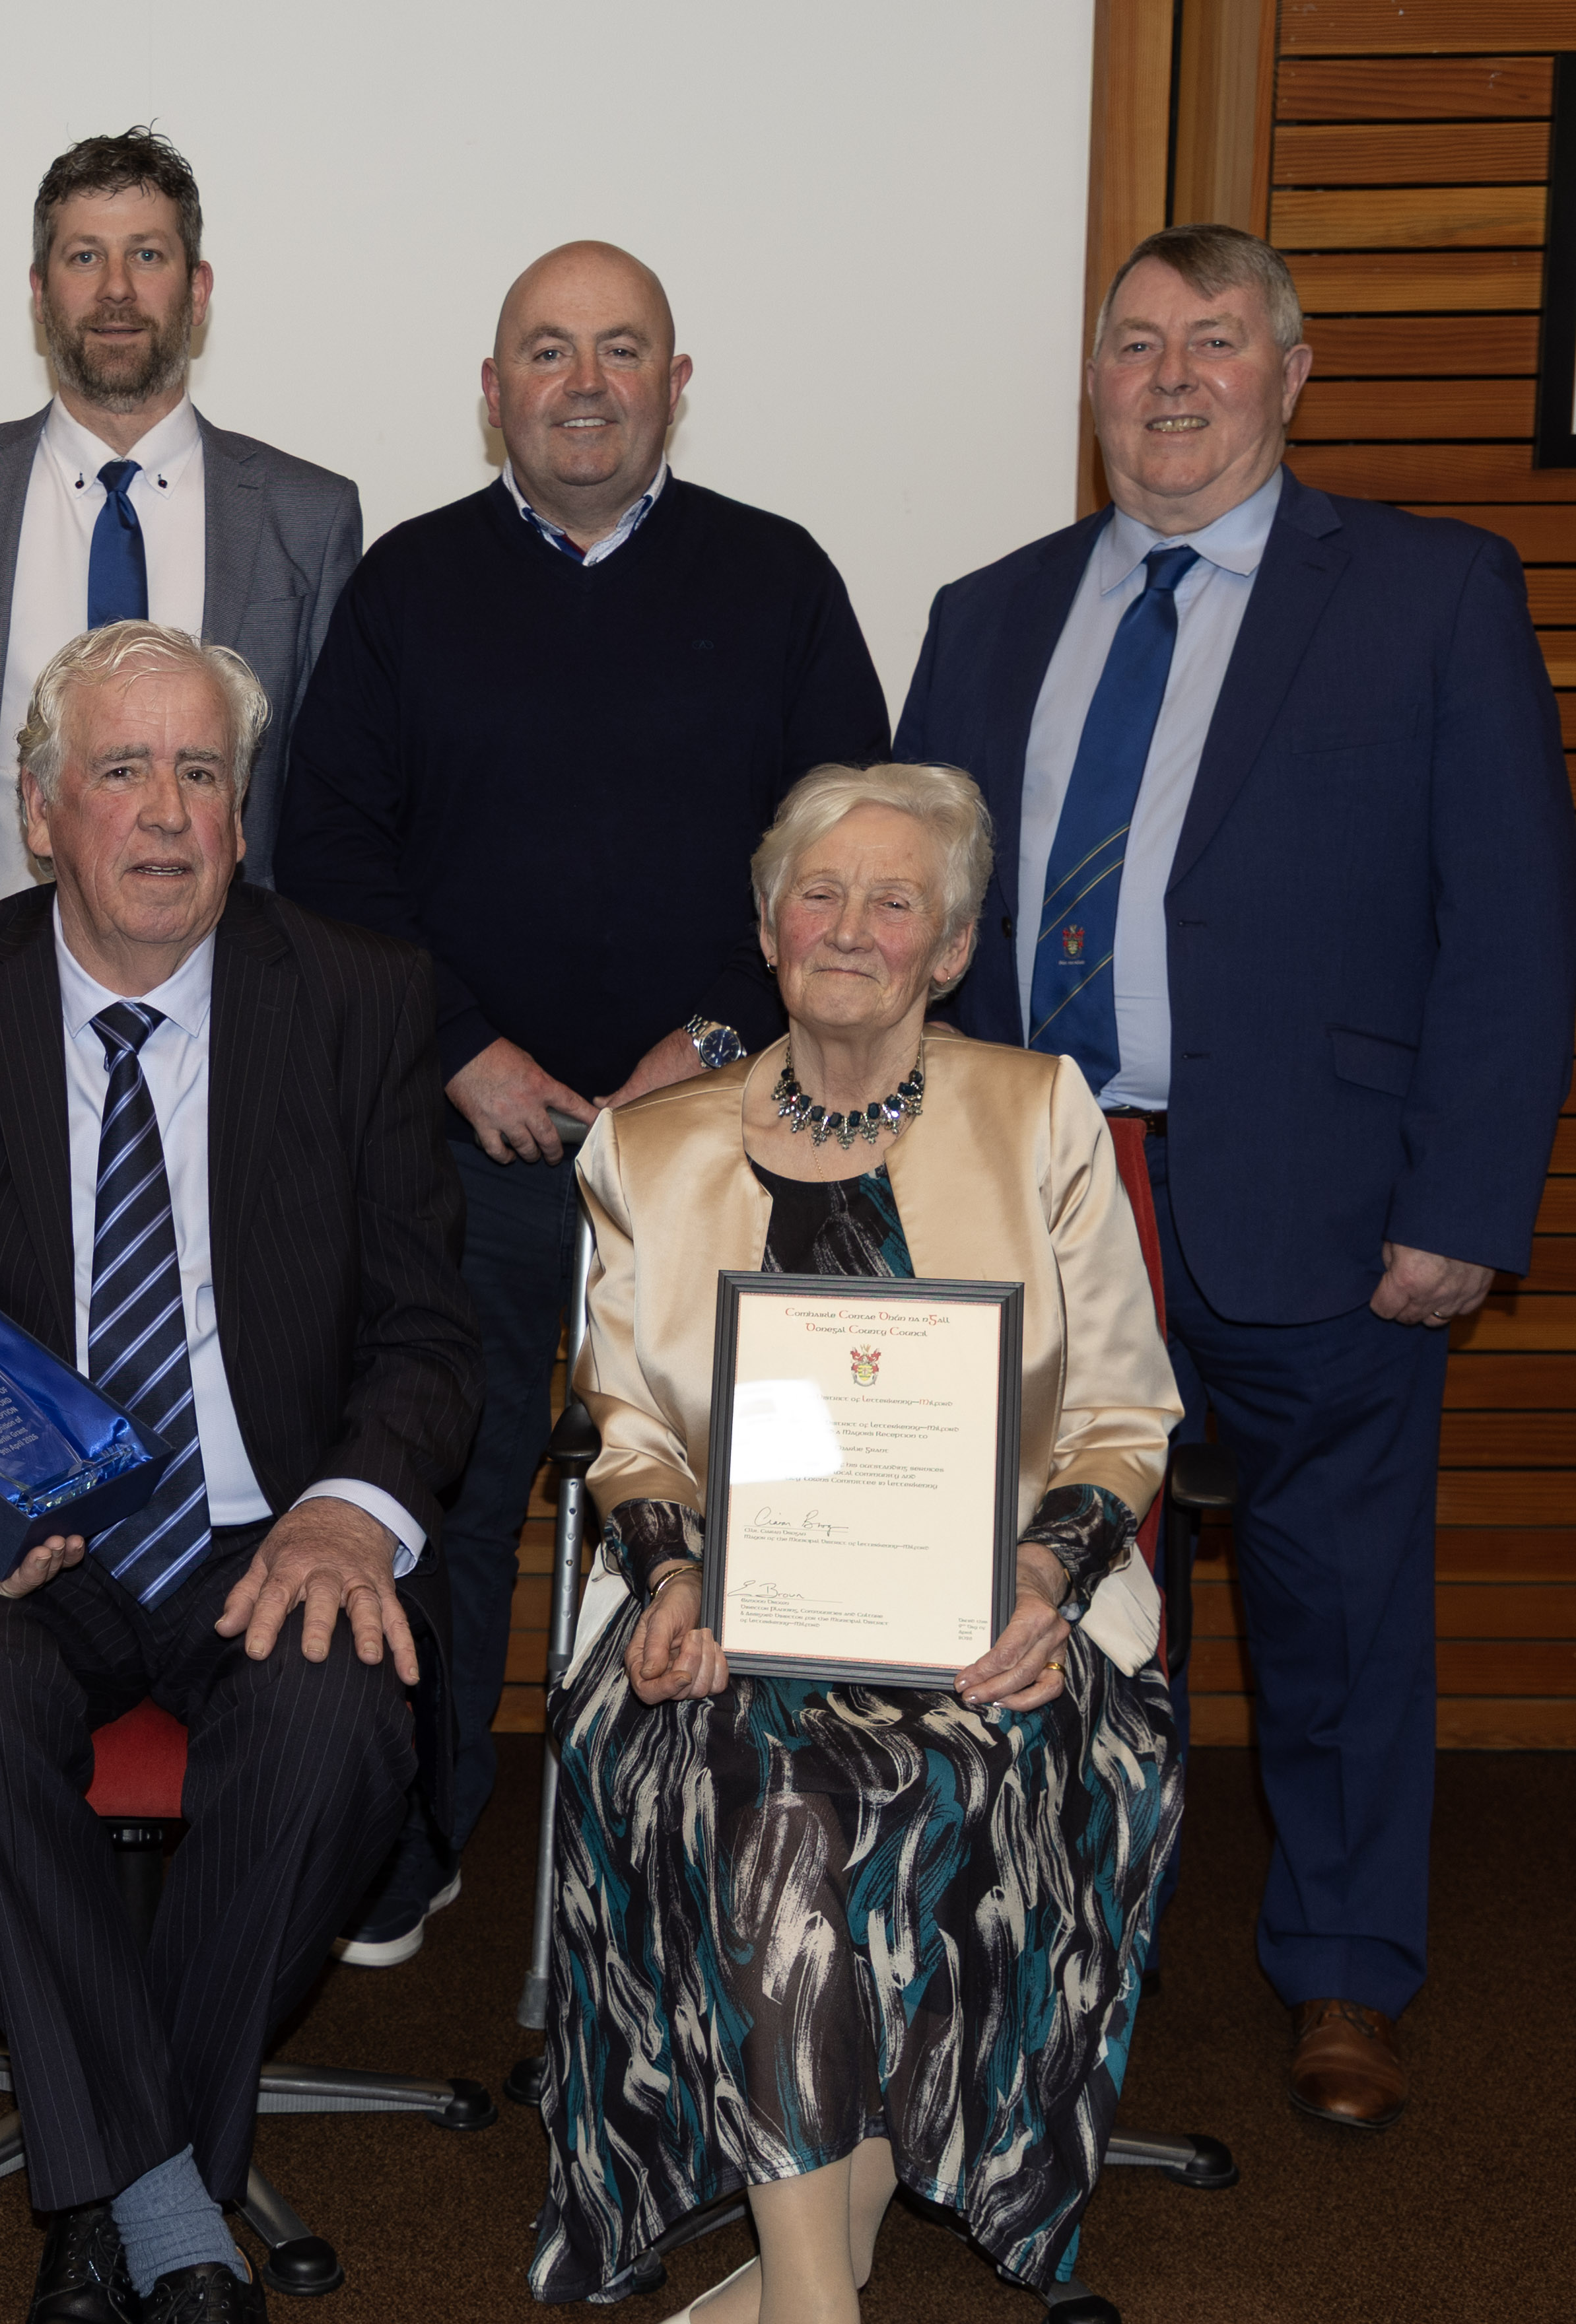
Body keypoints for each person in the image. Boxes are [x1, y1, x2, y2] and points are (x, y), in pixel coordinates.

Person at [894, 223, 1576, 2130]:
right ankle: (1047, 1957)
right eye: (1132, 345)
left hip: (1318, 1199)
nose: (1169, 380)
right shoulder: (986, 610)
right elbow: (905, 920)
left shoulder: (1429, 595)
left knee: (1333, 1609)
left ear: (1291, 374)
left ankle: (1345, 1975)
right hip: (1035, 1202)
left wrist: (1461, 1207)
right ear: (1090, 379)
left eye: (1213, 343)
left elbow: (1511, 925)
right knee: (1035, 1606)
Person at [0, 623, 478, 2323]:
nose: (165, 813)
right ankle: (175, 2199)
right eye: (121, 770)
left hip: (272, 1524)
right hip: (22, 1543)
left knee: (337, 1711)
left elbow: (426, 1336)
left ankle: (112, 2181)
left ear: (243, 821)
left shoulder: (358, 996)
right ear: (41, 813)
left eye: (201, 774)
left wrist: (350, 1507)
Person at [275, 239, 890, 1964]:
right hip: (471, 1150)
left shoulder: (776, 581)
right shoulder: (405, 588)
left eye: (622, 350)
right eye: (546, 352)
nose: (585, 381)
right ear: (493, 393)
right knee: (439, 1504)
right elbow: (333, 857)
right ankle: (417, 1830)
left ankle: (716, 1853)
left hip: (725, 1153)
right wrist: (461, 1048)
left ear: (674, 385)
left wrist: (711, 1040)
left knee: (732, 1508)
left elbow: (847, 848)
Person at [532, 762, 1182, 2321]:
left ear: (948, 951)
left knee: (920, 1779)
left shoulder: (1037, 1115)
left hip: (1004, 1620)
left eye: (896, 900)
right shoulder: (649, 1146)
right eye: (818, 891)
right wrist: (674, 1572)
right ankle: (820, 2292)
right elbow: (623, 1419)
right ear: (767, 927)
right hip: (719, 1617)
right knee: (770, 1783)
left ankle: (806, 2265)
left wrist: (1041, 1580)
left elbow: (1120, 1408)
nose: (849, 925)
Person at [0, 127, 359, 939]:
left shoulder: (307, 517)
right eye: (82, 258)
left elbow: (322, 814)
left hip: (226, 995)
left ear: (198, 289)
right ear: (39, 291)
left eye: (147, 256)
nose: (114, 291)